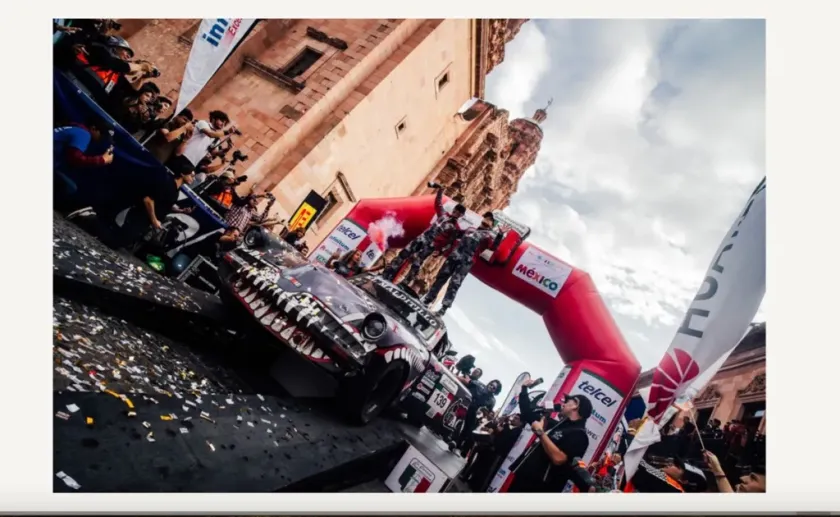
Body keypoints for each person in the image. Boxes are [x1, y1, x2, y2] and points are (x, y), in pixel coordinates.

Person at [506, 378, 593, 493]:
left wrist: (540, 433)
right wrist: (524, 389)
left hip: (538, 488)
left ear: (575, 405)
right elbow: (527, 413)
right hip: (523, 478)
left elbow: (559, 458)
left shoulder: (579, 435)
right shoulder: (556, 426)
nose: (563, 403)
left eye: (567, 401)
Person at [381, 182, 465, 286]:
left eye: (458, 213)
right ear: (453, 210)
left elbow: (450, 242)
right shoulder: (443, 215)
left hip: (430, 245)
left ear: (461, 216)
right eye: (455, 210)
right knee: (404, 254)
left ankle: (405, 283)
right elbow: (438, 202)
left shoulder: (455, 228)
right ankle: (386, 274)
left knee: (417, 263)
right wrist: (440, 191)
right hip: (421, 238)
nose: (455, 213)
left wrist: (440, 251)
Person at [422, 211, 504, 316]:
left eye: (490, 220)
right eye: (486, 218)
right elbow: (455, 236)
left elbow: (493, 247)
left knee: (454, 283)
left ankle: (443, 309)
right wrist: (441, 250)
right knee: (441, 277)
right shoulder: (470, 229)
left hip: (466, 262)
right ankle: (428, 299)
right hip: (453, 257)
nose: (486, 220)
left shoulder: (487, 237)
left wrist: (500, 235)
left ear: (492, 226)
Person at [53, 117, 114, 204]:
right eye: (101, 134)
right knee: (70, 188)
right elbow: (75, 158)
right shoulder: (84, 134)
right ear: (93, 128)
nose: (101, 138)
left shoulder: (76, 129)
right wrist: (102, 160)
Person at [167, 110, 234, 176]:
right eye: (222, 121)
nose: (223, 125)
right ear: (213, 118)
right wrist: (227, 132)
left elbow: (214, 152)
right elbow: (210, 134)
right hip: (183, 155)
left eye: (225, 124)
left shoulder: (217, 138)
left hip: (193, 163)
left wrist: (227, 149)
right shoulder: (203, 123)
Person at [623, 457, 708, 493]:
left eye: (677, 466)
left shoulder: (675, 488)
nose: (671, 464)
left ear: (684, 481)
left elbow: (639, 464)